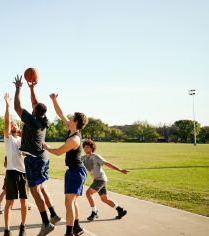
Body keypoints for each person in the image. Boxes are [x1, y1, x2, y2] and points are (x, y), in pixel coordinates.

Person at [13, 75, 60, 236]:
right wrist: (32, 89)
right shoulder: (44, 120)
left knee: (34, 191)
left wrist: (18, 88)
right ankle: (53, 214)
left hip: (34, 159)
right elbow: (36, 104)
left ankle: (46, 223)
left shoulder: (32, 121)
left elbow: (17, 107)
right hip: (43, 157)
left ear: (34, 111)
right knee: (40, 187)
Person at [43, 93, 89, 236]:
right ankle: (77, 227)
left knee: (69, 202)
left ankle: (69, 232)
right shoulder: (72, 129)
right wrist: (54, 100)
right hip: (74, 171)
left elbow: (57, 152)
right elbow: (60, 113)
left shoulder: (74, 139)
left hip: (76, 172)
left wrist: (45, 146)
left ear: (75, 122)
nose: (69, 119)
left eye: (72, 118)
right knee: (71, 202)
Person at [82, 139, 128, 221]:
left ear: (92, 148)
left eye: (88, 147)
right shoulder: (84, 158)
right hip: (96, 180)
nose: (86, 148)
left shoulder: (96, 157)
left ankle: (94, 212)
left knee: (88, 193)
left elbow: (107, 164)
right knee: (104, 199)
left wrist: (120, 170)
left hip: (101, 180)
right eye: (84, 147)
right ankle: (120, 210)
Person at [3, 93, 28, 236]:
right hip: (11, 172)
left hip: (24, 173)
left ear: (18, 128)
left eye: (15, 123)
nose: (13, 124)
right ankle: (7, 229)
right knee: (9, 202)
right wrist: (7, 105)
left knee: (24, 202)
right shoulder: (9, 139)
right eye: (12, 123)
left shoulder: (23, 140)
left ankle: (23, 227)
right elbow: (7, 121)